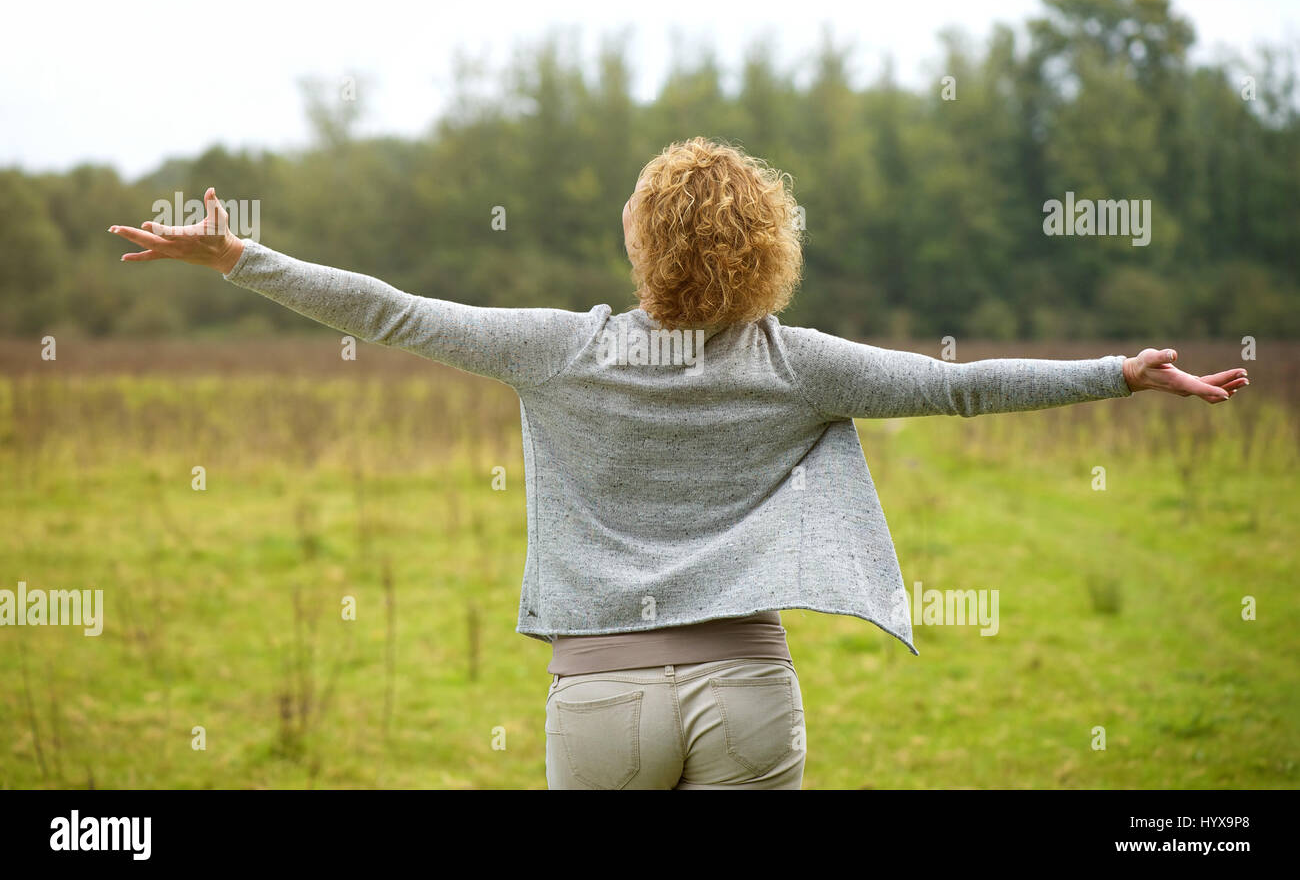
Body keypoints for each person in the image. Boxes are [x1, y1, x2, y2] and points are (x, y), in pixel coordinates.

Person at [109, 136, 1248, 789]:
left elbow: (391, 311)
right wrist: (1120, 370)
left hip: (593, 697)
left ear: (641, 239)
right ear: (769, 249)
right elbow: (957, 384)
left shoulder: (559, 350)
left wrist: (239, 256)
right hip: (744, 690)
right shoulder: (797, 362)